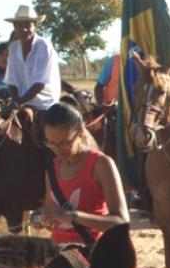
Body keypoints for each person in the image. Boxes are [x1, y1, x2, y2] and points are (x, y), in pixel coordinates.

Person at [35, 101, 130, 244]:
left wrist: (73, 216)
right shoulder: (52, 168)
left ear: (80, 132)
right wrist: (44, 219)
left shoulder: (101, 164)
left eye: (64, 143)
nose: (58, 150)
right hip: (57, 251)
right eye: (51, 143)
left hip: (95, 252)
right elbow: (52, 217)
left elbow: (121, 222)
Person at [2, 4, 61, 148]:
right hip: (21, 100)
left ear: (35, 26)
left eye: (28, 25)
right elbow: (12, 81)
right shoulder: (13, 47)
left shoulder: (44, 47)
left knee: (47, 142)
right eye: (19, 25)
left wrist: (18, 103)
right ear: (14, 27)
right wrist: (16, 101)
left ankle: (51, 166)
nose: (23, 29)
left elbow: (39, 84)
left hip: (44, 103)